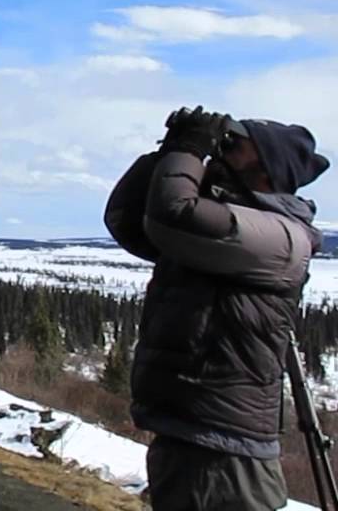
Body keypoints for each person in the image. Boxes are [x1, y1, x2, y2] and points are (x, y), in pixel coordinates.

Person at [105, 107, 330, 511]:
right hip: (194, 431)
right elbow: (129, 220)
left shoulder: (279, 236)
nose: (221, 154)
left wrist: (189, 151)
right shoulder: (228, 230)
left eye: (235, 147)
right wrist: (169, 152)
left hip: (225, 447)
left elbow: (173, 214)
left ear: (268, 169)